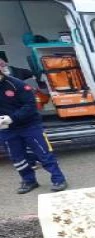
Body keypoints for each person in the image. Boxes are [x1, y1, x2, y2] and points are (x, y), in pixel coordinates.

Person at [0, 64, 67, 194]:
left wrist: (12, 118)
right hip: (7, 129)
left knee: (43, 153)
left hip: (29, 125)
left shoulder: (16, 84)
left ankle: (58, 179)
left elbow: (30, 105)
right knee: (17, 157)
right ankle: (29, 181)